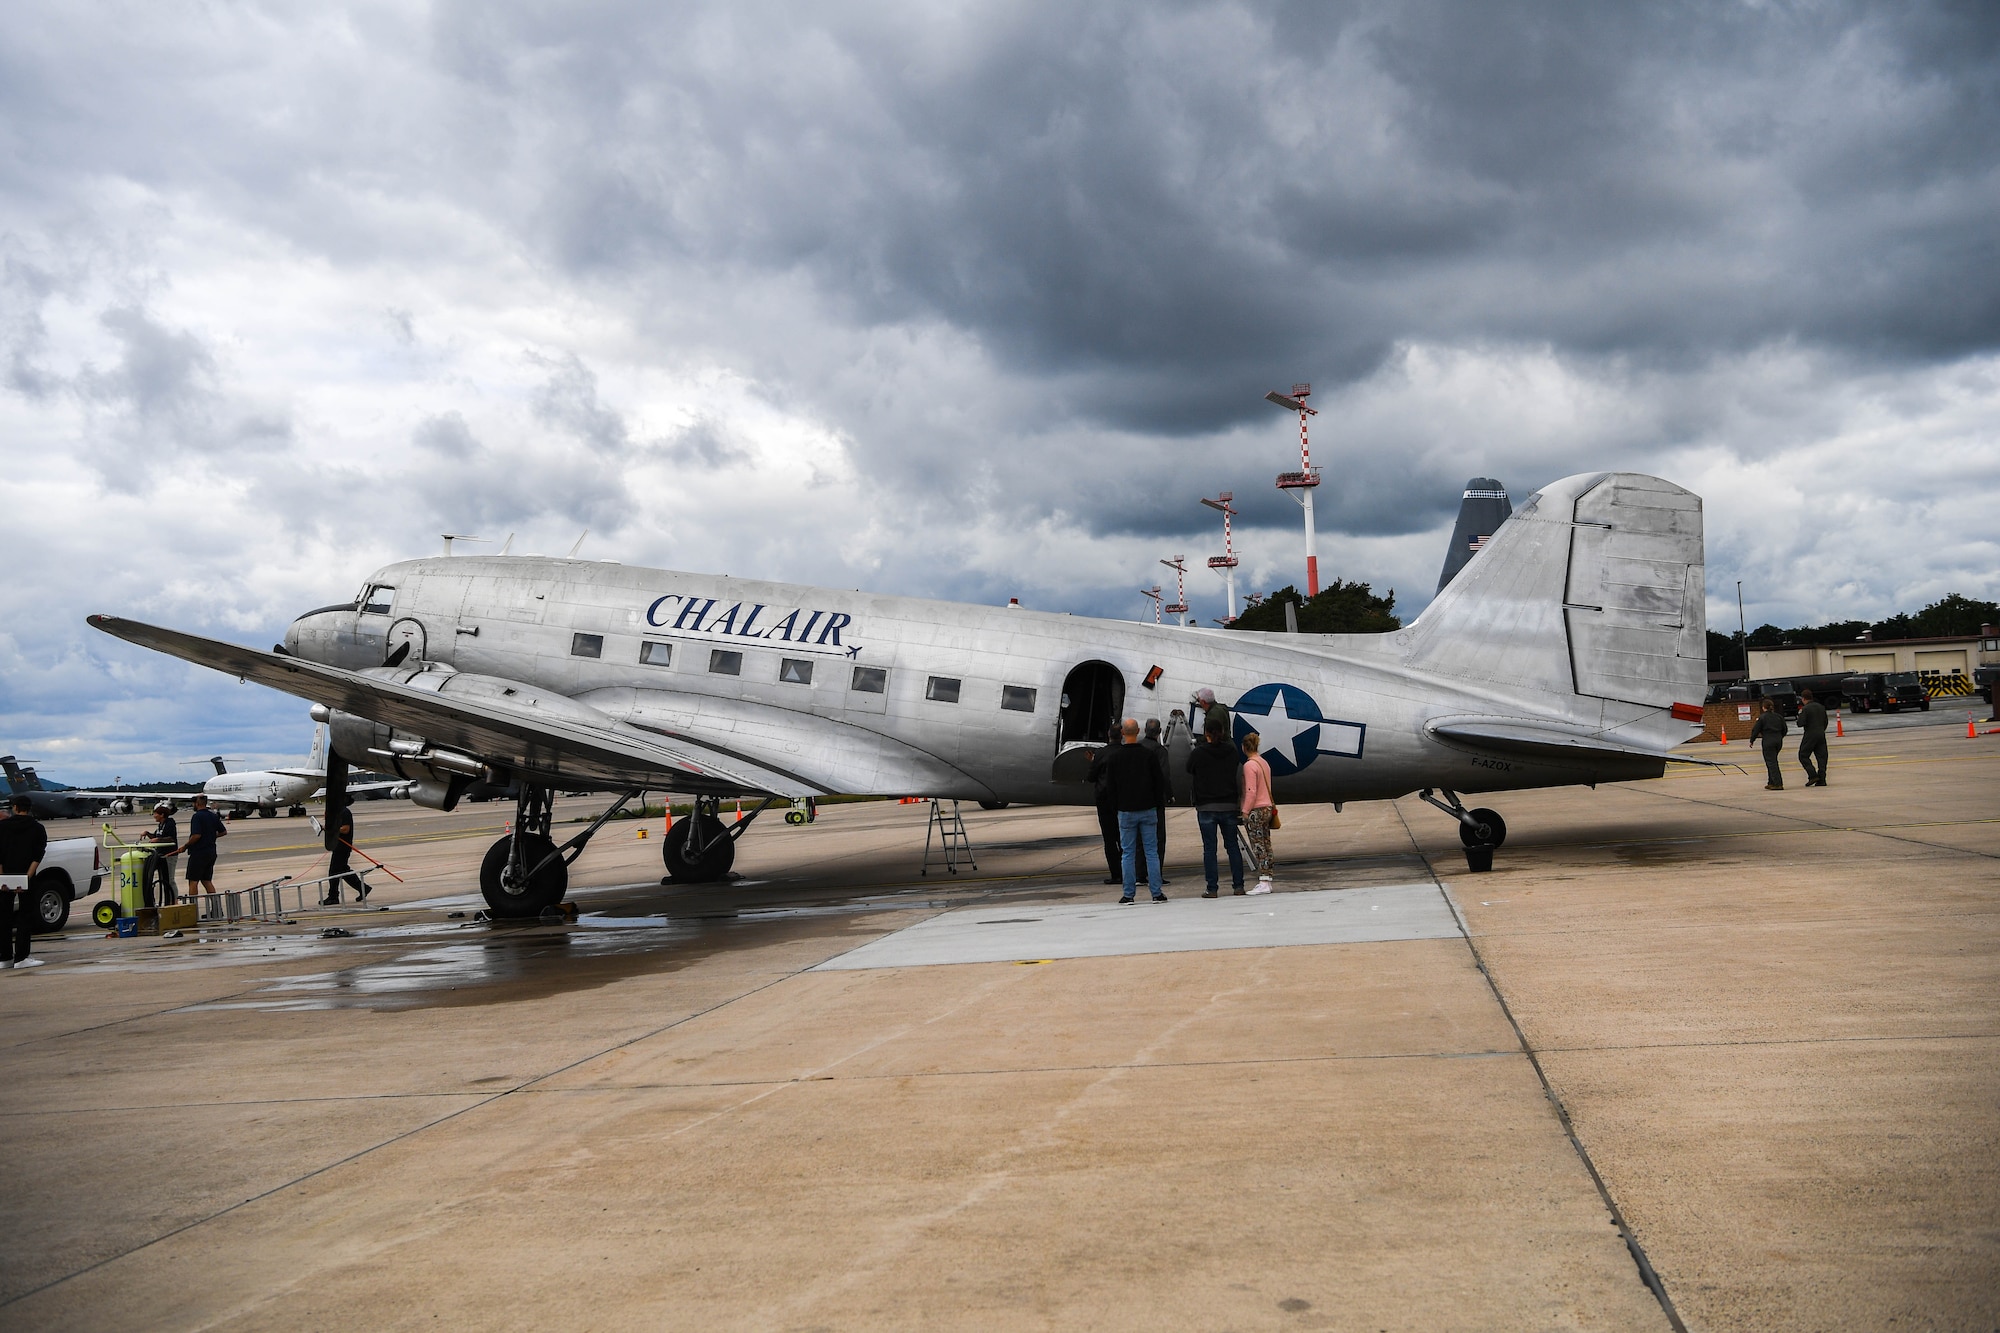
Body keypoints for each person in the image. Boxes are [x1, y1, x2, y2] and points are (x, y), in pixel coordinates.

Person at [1103, 719, 1166, 903]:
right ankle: (1156, 892)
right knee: (1151, 852)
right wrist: (1155, 804)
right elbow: (1158, 782)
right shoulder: (1148, 755)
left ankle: (1128, 894)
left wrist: (1116, 807)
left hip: (1126, 810)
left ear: (1123, 732)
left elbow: (1111, 787)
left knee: (1128, 853)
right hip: (1147, 809)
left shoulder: (1115, 757)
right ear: (1138, 731)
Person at [1187, 720, 1246, 896]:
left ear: (1206, 733)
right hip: (1228, 804)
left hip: (1206, 805)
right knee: (1232, 847)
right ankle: (1238, 886)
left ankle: (1212, 888)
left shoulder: (1199, 753)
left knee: (1210, 849)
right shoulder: (1231, 751)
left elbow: (1189, 768)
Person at [0, 794, 48, 969]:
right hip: (26, 876)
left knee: (3, 917)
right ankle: (21, 957)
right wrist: (27, 878)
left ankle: (4, 957)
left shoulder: (2, 827)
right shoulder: (37, 828)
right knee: (25, 916)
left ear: (14, 807)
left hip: (4, 876)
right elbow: (38, 855)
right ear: (29, 808)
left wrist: (3, 877)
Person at [1086, 727, 1126, 885]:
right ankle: (1128, 872)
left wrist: (1093, 762)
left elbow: (1091, 777)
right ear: (1121, 736)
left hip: (1104, 800)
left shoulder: (1100, 754)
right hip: (1123, 800)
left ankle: (1116, 874)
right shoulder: (1125, 752)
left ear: (1109, 736)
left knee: (1109, 840)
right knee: (1124, 839)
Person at [1239, 732, 1276, 892]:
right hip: (1267, 807)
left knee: (1258, 845)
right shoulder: (1263, 763)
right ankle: (1267, 878)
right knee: (1266, 844)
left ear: (1244, 747)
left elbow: (1251, 791)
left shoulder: (1249, 765)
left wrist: (1245, 811)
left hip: (1256, 810)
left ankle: (1263, 882)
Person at [1139, 717, 1170, 885]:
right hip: (1155, 801)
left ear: (1144, 730)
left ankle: (1139, 875)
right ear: (1159, 733)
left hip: (1137, 800)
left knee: (1138, 840)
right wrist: (1169, 794)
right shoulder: (1160, 751)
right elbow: (1164, 775)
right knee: (1157, 839)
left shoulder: (1136, 749)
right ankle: (1156, 875)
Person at [177, 793, 226, 896]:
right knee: (206, 880)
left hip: (199, 853)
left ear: (197, 803)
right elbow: (223, 832)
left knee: (193, 881)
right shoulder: (213, 815)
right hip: (211, 852)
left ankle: (193, 908)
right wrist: (211, 836)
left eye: (194, 803)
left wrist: (185, 846)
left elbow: (196, 835)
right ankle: (216, 907)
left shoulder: (197, 816)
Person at [322, 802, 368, 905]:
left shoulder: (344, 812)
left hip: (343, 847)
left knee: (334, 872)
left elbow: (346, 829)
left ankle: (333, 896)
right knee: (343, 870)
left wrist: (332, 830)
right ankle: (364, 888)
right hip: (337, 845)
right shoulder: (336, 812)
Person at [141, 802, 179, 906]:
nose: (154, 816)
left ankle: (174, 900)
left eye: (156, 814)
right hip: (160, 854)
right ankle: (166, 900)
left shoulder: (170, 823)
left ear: (162, 815)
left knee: (170, 879)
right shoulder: (160, 825)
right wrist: (147, 833)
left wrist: (158, 839)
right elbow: (155, 837)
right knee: (162, 878)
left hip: (170, 854)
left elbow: (171, 838)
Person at [1749, 698, 1787, 791]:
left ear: (1763, 708)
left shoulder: (1762, 717)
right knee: (1772, 761)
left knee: (1771, 763)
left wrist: (1752, 740)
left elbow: (1756, 730)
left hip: (1768, 741)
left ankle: (1778, 783)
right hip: (1778, 740)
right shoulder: (1778, 717)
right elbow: (1785, 729)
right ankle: (1771, 782)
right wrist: (1779, 737)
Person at [1797, 687, 1830, 787]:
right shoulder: (1821, 707)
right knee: (1822, 757)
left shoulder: (1805, 709)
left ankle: (1812, 775)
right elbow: (1825, 721)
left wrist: (1799, 716)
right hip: (1821, 733)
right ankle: (1822, 779)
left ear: (1803, 699)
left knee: (1803, 755)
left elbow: (1800, 723)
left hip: (1810, 734)